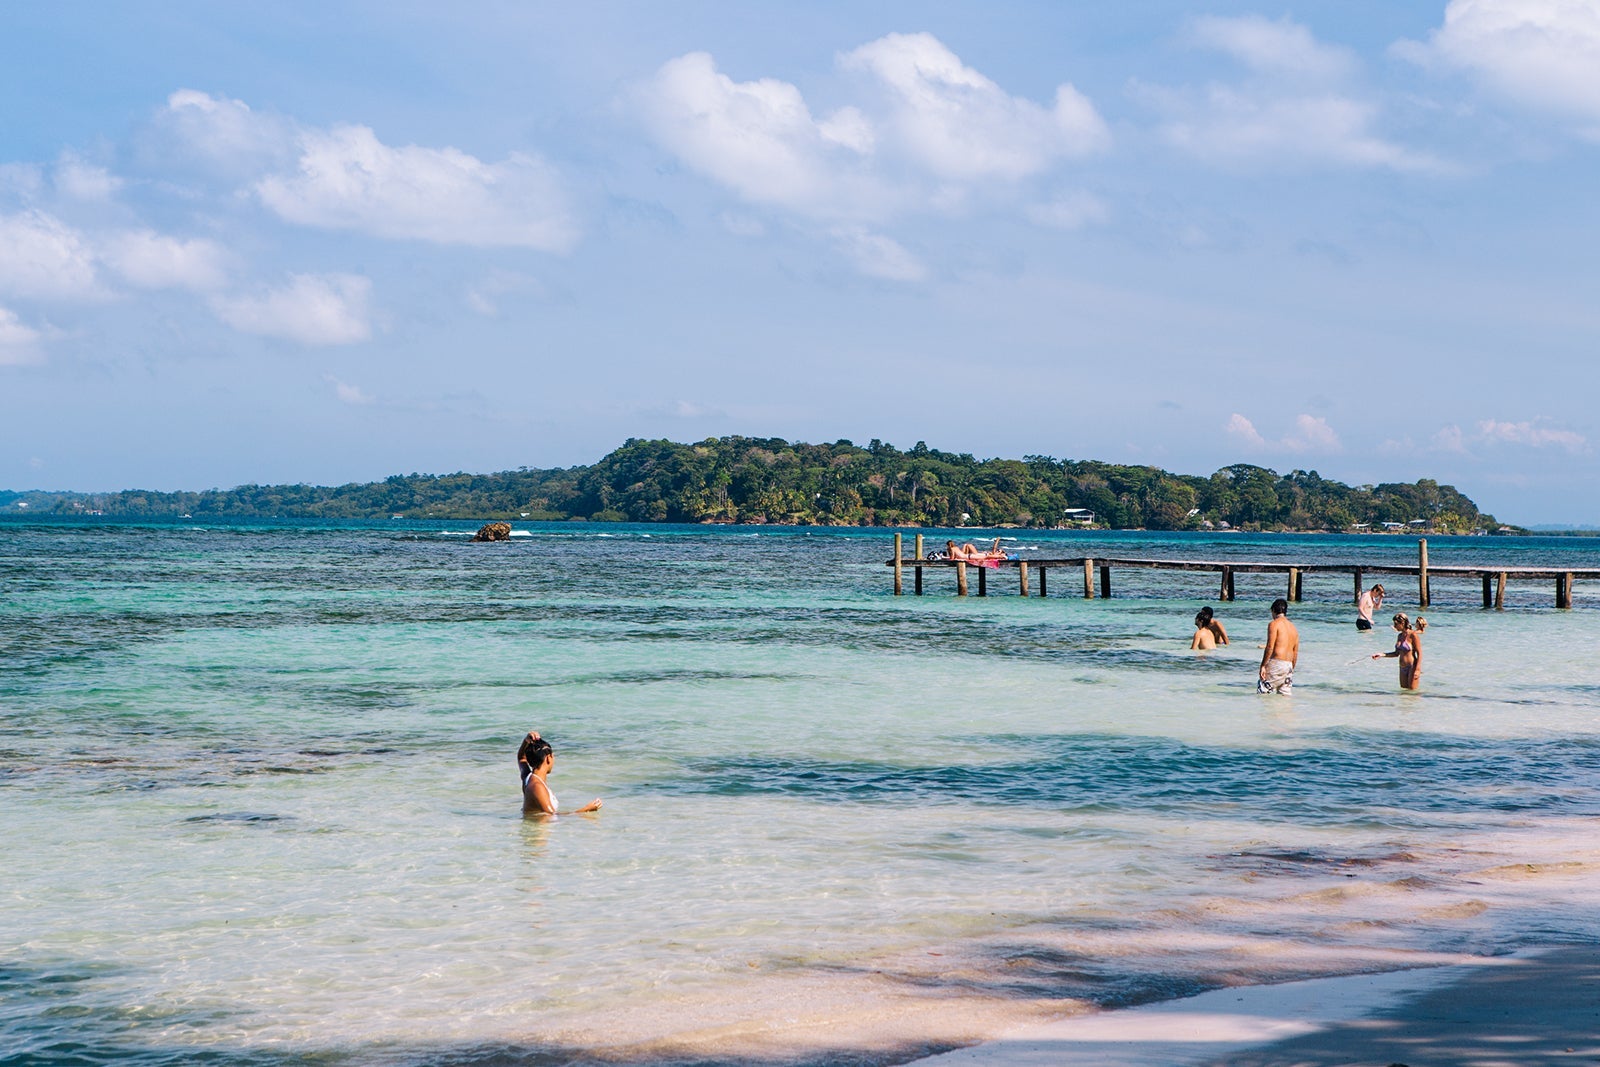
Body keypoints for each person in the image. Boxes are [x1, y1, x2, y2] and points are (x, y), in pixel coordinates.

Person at [517, 731, 603, 816]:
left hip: (532, 828)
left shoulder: (528, 778)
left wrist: (526, 741)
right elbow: (553, 815)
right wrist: (586, 809)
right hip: (538, 829)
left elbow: (521, 758)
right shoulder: (536, 786)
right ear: (548, 758)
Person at [1372, 612, 1422, 690]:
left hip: (1412, 666)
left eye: (1396, 624)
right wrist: (1382, 655)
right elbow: (1396, 653)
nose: (1395, 627)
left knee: (1412, 693)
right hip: (1402, 667)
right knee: (1404, 692)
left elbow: (1419, 653)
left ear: (1402, 623)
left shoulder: (1413, 635)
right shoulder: (1400, 636)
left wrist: (1418, 669)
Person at [1258, 598, 1298, 695]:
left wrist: (1263, 665)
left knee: (1263, 693)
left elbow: (1270, 647)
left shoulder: (1274, 624)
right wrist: (1292, 668)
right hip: (1289, 665)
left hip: (1277, 663)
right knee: (1285, 700)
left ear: (1273, 610)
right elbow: (1295, 652)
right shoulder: (1293, 628)